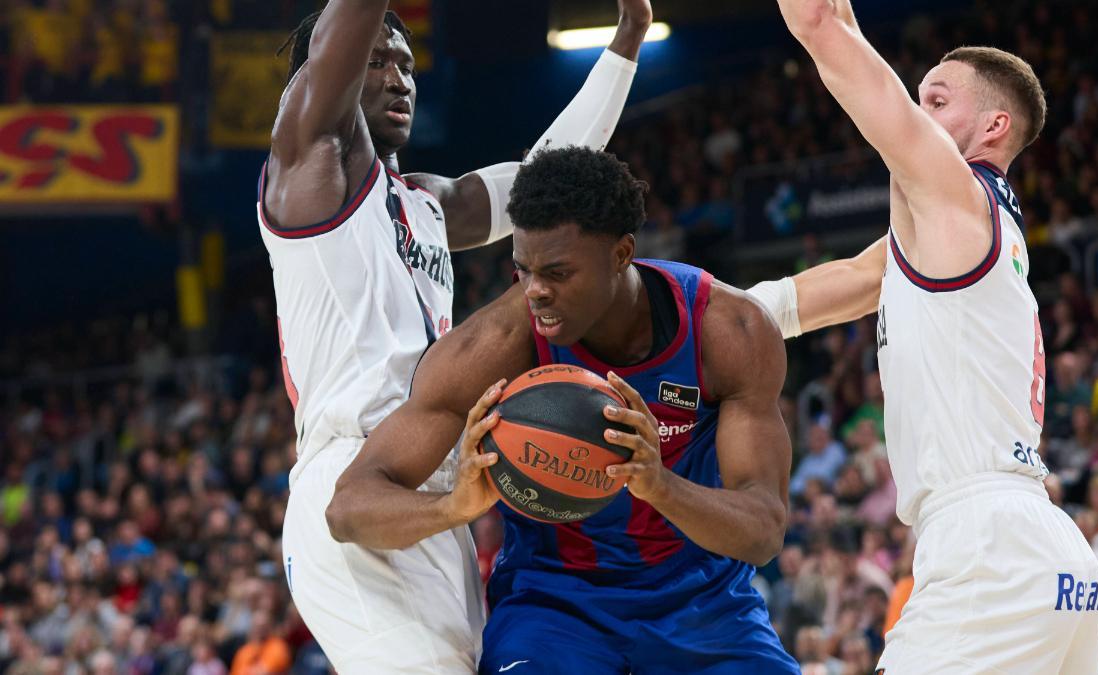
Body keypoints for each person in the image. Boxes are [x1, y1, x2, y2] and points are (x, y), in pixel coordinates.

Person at [260, 0, 654, 670]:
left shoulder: (426, 203)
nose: (398, 79)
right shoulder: (308, 171)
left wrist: (628, 38)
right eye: (378, 61)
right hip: (355, 479)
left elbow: (549, 177)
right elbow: (335, 41)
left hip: (435, 481)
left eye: (409, 66)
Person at [326, 147, 800, 674]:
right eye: (523, 270)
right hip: (555, 607)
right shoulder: (494, 345)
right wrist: (453, 508)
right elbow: (347, 509)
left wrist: (659, 484)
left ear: (622, 254)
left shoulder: (729, 331)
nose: (536, 292)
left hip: (703, 604)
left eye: (557, 272)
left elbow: (763, 532)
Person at [761, 0, 1098, 670]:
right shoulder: (969, 230)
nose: (917, 113)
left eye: (936, 100)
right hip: (1049, 557)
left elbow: (822, 29)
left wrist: (828, 27)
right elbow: (861, 278)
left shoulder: (957, 197)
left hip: (987, 547)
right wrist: (724, 311)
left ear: (993, 126)